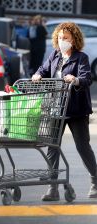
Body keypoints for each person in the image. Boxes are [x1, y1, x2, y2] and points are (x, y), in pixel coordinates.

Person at [32, 22, 97, 201]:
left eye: (66, 38)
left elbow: (86, 78)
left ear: (74, 39)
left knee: (82, 146)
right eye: (60, 38)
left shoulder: (81, 57)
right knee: (52, 147)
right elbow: (43, 70)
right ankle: (53, 188)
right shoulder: (55, 56)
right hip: (56, 108)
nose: (62, 41)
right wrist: (37, 75)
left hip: (76, 109)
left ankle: (95, 181)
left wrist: (75, 79)